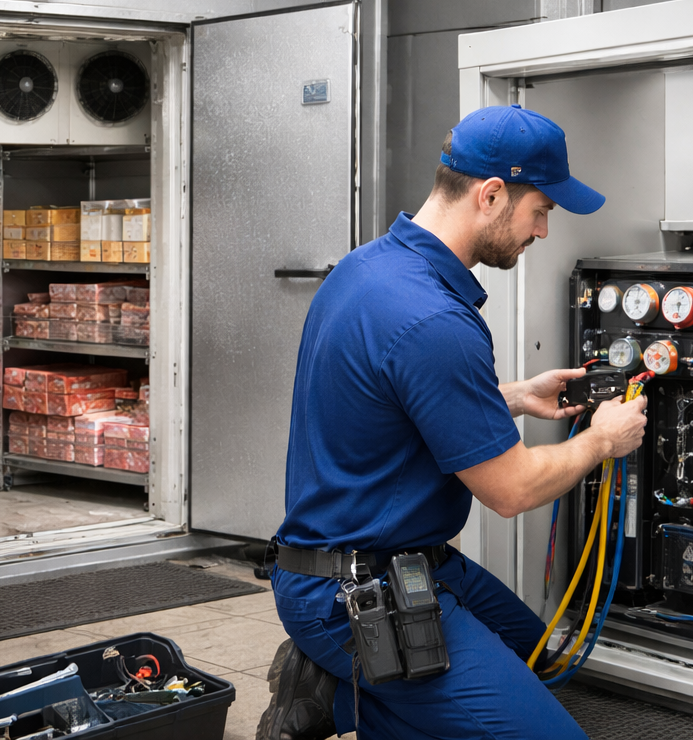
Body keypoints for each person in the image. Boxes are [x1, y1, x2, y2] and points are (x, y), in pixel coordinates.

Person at [258, 104, 649, 740]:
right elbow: (512, 489)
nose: (543, 232)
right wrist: (603, 441)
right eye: (541, 211)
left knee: (539, 658)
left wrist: (515, 397)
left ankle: (360, 693)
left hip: (398, 561)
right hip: (354, 593)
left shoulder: (369, 269)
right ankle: (338, 691)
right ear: (492, 195)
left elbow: (393, 399)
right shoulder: (434, 321)